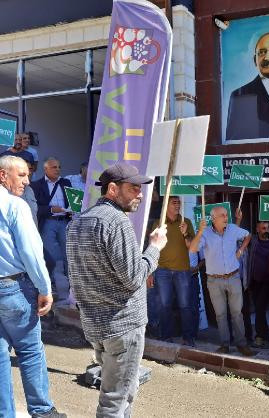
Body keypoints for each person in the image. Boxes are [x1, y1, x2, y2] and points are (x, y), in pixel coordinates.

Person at [66, 162, 168, 417]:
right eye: (134, 188)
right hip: (122, 326)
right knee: (115, 401)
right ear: (112, 189)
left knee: (119, 393)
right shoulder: (117, 222)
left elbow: (76, 278)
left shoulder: (78, 222)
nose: (141, 194)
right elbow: (134, 278)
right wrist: (154, 247)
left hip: (95, 325)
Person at [0, 156, 66, 418]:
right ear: (3, 176)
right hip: (14, 287)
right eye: (21, 175)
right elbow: (31, 251)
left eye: (28, 175)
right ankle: (42, 411)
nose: (27, 181)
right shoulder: (14, 205)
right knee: (30, 350)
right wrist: (45, 288)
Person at [190, 206, 255, 356]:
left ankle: (241, 344)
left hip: (233, 277)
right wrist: (199, 231)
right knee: (220, 314)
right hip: (214, 280)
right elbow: (192, 249)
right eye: (222, 215)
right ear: (213, 218)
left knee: (237, 313)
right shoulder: (205, 233)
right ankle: (225, 344)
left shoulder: (232, 229)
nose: (226, 218)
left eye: (226, 214)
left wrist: (241, 250)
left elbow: (248, 235)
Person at [149, 196, 197, 346]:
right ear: (166, 205)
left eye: (179, 202)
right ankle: (165, 338)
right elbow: (152, 247)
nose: (177, 205)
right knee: (164, 305)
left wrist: (185, 233)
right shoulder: (158, 223)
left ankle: (188, 338)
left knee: (185, 305)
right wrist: (150, 272)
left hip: (182, 270)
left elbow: (192, 247)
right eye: (174, 202)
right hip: (162, 270)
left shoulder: (186, 222)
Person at [30, 158, 72, 280]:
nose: (57, 169)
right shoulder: (37, 185)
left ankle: (71, 281)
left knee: (68, 252)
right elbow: (35, 207)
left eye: (59, 167)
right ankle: (51, 281)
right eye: (54, 167)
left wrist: (73, 208)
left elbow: (74, 201)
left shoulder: (66, 182)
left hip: (64, 221)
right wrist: (51, 209)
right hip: (48, 222)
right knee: (50, 254)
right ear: (45, 169)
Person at [247, 221, 269, 349]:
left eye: (267, 227)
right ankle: (265, 336)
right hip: (254, 281)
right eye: (263, 228)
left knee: (259, 309)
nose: (266, 230)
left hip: (268, 281)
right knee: (260, 310)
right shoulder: (253, 241)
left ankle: (261, 337)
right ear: (257, 230)